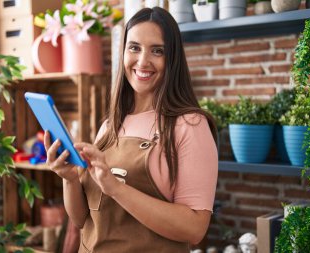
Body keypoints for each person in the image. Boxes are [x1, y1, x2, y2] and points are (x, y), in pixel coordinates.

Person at [44, 7, 218, 253]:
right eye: (134, 47)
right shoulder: (110, 126)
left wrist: (116, 188)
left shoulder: (189, 125)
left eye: (157, 50)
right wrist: (69, 179)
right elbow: (83, 220)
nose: (143, 61)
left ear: (173, 59)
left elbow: (195, 229)